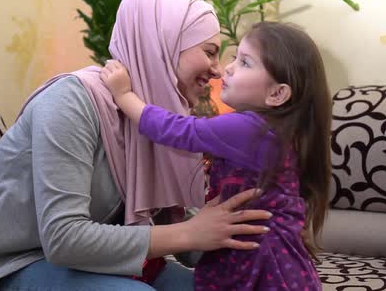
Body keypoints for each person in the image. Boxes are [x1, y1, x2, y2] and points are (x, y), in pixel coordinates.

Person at [0, 0, 273, 291]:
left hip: (95, 265)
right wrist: (189, 233)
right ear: (162, 43)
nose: (216, 70)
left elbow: (178, 227)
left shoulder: (161, 116)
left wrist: (248, 234)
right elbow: (63, 239)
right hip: (1, 266)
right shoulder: (71, 101)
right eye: (210, 52)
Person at [100, 21, 332, 290]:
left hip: (259, 262)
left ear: (277, 93)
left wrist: (124, 94)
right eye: (235, 57)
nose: (227, 68)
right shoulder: (276, 133)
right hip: (275, 259)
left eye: (245, 63)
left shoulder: (248, 129)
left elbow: (176, 130)